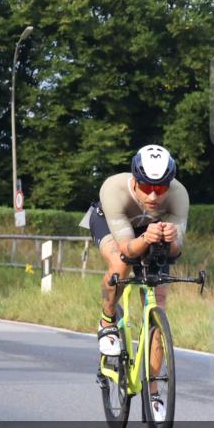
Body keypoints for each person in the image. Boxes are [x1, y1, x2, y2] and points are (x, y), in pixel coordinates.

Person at [81, 145, 189, 410]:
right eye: (146, 186)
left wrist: (171, 240)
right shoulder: (113, 189)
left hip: (150, 230)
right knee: (120, 264)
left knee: (158, 303)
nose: (153, 195)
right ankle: (107, 319)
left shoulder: (179, 195)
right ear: (134, 179)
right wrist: (146, 239)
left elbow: (176, 252)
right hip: (110, 224)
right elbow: (128, 250)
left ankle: (153, 391)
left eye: (160, 188)